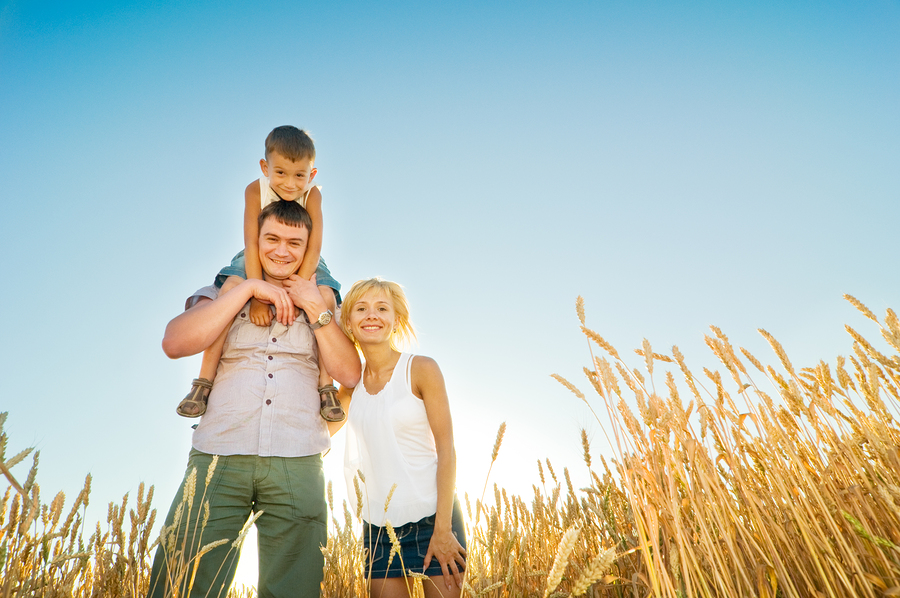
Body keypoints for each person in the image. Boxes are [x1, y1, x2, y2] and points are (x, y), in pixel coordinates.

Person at [147, 200, 361, 598]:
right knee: (184, 583)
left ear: (309, 248)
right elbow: (175, 342)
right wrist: (249, 287)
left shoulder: (328, 300)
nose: (282, 251)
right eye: (272, 239)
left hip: (298, 461)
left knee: (293, 590)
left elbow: (350, 374)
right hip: (218, 455)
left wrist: (315, 305)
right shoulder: (224, 289)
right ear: (254, 241)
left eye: (294, 243)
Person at [177, 125, 346, 423]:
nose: (291, 184)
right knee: (230, 288)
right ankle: (204, 381)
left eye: (299, 176)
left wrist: (298, 289)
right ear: (265, 167)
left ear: (312, 175)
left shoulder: (314, 195)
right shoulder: (255, 189)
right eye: (280, 173)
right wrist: (255, 294)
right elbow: (251, 241)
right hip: (257, 253)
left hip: (306, 256)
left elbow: (315, 245)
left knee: (326, 297)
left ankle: (325, 383)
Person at [335, 278, 467, 598]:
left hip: (434, 518)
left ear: (397, 320)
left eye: (382, 308)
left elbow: (446, 449)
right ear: (349, 323)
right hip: (378, 530)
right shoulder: (351, 385)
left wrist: (443, 529)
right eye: (361, 308)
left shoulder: (421, 369)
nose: (372, 315)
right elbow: (318, 434)